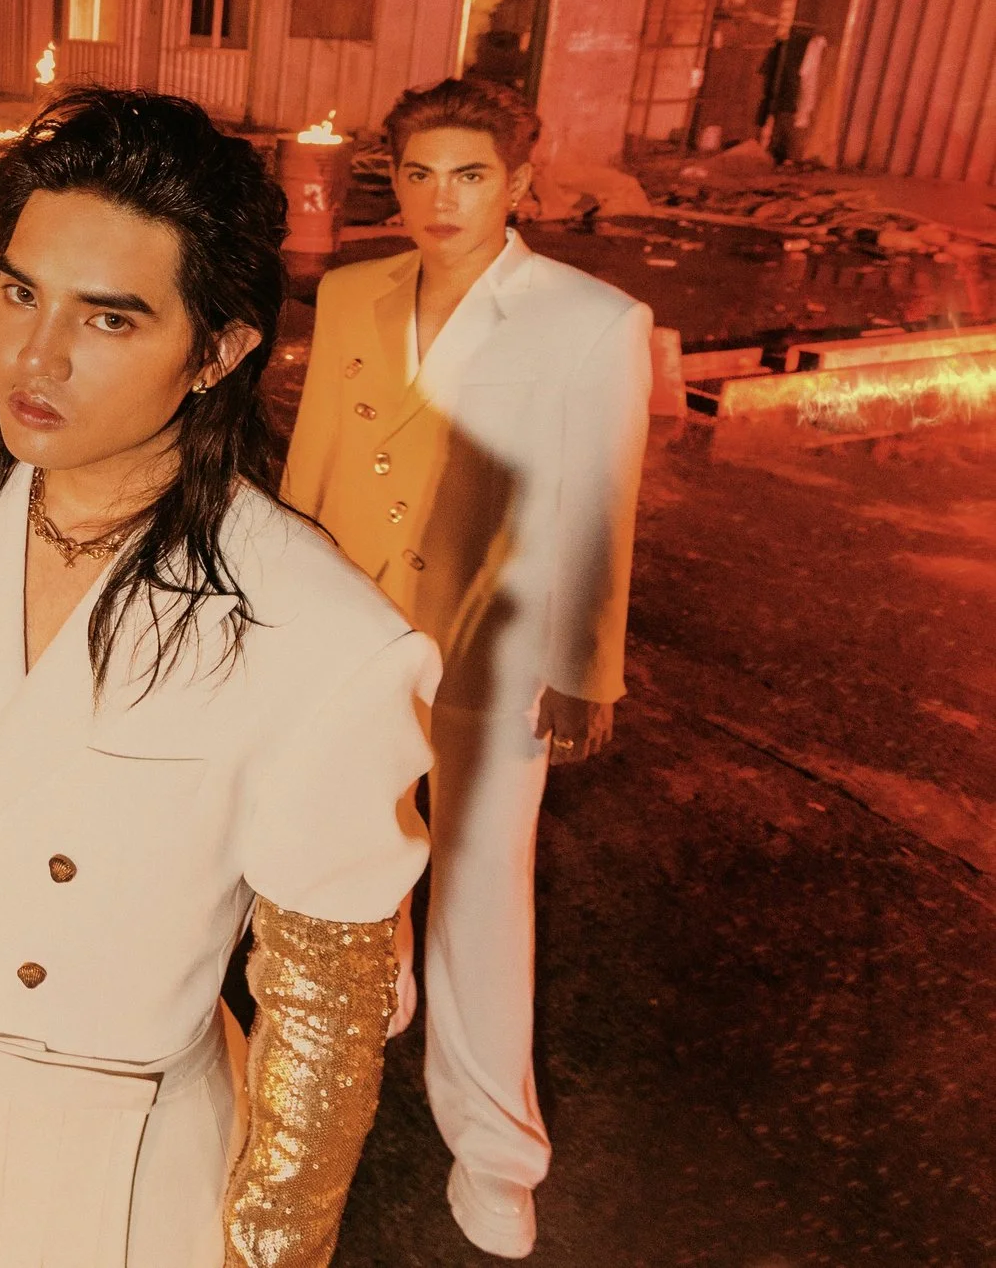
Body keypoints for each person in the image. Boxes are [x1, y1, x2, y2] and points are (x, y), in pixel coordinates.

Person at [0, 88, 438, 1267]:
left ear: (218, 350)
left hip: (103, 1159)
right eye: (19, 292)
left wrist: (270, 1248)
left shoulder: (320, 635)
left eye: (109, 319)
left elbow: (322, 1007)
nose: (34, 357)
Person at [283, 76, 652, 1259]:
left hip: (495, 639)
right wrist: (280, 612)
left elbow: (599, 500)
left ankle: (495, 1150)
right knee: (353, 847)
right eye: (418, 174)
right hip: (356, 631)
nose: (440, 200)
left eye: (470, 175)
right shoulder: (350, 291)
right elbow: (313, 459)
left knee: (485, 890)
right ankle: (381, 972)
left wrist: (586, 665)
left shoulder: (589, 318)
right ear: (390, 180)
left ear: (519, 184)